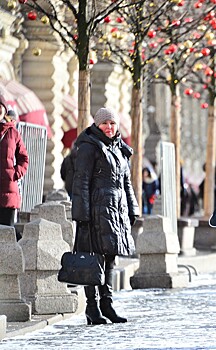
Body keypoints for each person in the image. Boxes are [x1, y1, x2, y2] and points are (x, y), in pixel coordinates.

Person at [71, 107, 140, 325]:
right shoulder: (88, 147)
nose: (109, 127)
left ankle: (107, 304)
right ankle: (92, 308)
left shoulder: (119, 149)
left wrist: (132, 208)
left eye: (112, 123)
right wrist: (82, 215)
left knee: (109, 257)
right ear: (97, 125)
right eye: (105, 123)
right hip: (95, 212)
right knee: (93, 260)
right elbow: (80, 182)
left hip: (115, 211)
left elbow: (126, 183)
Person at [0, 94, 29, 240]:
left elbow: (24, 158)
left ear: (4, 110)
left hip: (8, 190)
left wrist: (14, 174)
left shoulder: (13, 132)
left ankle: (16, 258)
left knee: (7, 233)